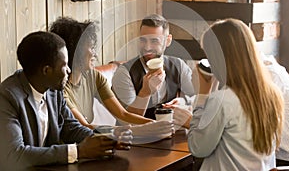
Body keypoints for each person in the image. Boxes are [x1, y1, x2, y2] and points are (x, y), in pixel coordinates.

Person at [0, 31, 132, 171]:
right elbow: (14, 155)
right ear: (46, 70)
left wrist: (106, 140)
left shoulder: (53, 90)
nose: (69, 70)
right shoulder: (7, 97)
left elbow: (71, 128)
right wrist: (79, 151)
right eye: (65, 65)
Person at [49, 17, 173, 138]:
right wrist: (139, 131)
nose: (95, 53)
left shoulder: (94, 76)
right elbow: (85, 127)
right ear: (75, 51)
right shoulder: (59, 88)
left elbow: (122, 114)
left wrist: (154, 125)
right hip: (73, 150)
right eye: (91, 48)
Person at [187, 18, 284, 170]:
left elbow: (197, 148)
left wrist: (202, 95)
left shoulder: (222, 101)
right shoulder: (272, 95)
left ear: (218, 59)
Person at [112, 14, 194, 120]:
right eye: (143, 40)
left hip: (171, 133)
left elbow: (195, 97)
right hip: (135, 135)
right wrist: (145, 92)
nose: (147, 47)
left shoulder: (179, 66)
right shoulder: (124, 73)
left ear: (168, 41)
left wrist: (182, 102)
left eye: (154, 41)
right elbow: (127, 120)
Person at [261, 54, 289, 166]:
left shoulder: (270, 74)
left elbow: (267, 137)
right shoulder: (268, 69)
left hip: (287, 159)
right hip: (280, 154)